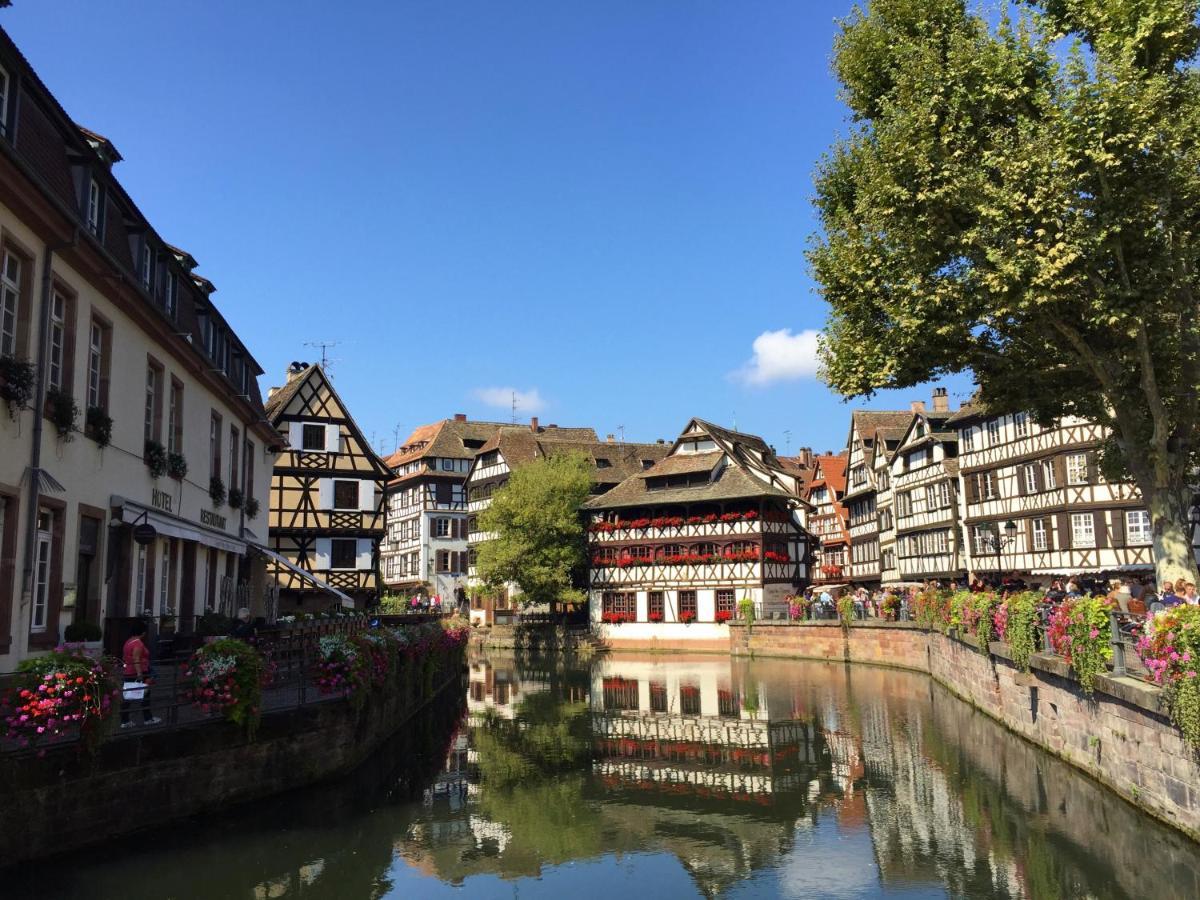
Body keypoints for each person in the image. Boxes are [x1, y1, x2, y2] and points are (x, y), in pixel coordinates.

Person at [121, 620, 161, 729]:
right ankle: (148, 719)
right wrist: (139, 674)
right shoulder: (138, 643)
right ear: (143, 632)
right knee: (146, 696)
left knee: (128, 696)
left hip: (128, 671)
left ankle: (124, 720)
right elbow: (136, 658)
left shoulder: (128, 641)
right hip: (139, 672)